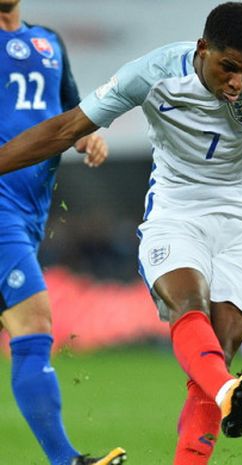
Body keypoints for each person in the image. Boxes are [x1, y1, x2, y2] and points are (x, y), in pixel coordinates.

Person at [0, 2, 242, 464]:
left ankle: (219, 397)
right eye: (228, 67)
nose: (238, 82)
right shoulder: (153, 72)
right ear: (203, 48)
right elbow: (66, 128)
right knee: (190, 306)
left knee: (215, 355)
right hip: (176, 211)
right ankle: (227, 391)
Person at [0, 1, 126, 465]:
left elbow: (69, 110)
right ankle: (66, 460)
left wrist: (85, 134)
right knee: (33, 323)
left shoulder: (48, 41)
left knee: (26, 330)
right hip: (0, 209)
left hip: (31, 212)